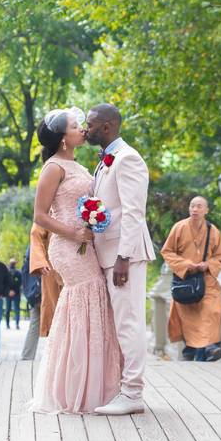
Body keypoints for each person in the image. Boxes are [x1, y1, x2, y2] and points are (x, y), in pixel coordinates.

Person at [31, 107, 122, 413]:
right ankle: (76, 390)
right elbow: (40, 216)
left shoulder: (80, 165)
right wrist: (74, 233)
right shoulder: (53, 168)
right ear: (62, 139)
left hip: (85, 243)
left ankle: (95, 387)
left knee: (93, 303)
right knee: (85, 301)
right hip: (68, 247)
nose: (82, 128)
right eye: (74, 126)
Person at [85, 103, 155, 415]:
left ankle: (133, 394)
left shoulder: (128, 158)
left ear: (108, 126)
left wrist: (124, 257)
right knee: (121, 323)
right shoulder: (106, 160)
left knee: (129, 323)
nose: (86, 129)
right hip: (110, 252)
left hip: (123, 255)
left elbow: (133, 212)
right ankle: (125, 388)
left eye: (91, 124)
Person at [161, 196, 221, 362]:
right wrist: (186, 264)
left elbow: (219, 256)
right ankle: (189, 348)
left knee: (212, 310)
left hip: (207, 279)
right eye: (192, 206)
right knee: (188, 314)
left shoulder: (213, 231)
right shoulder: (179, 227)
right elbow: (167, 251)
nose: (195, 209)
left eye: (199, 206)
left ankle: (211, 347)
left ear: (206, 210)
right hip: (186, 280)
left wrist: (208, 264)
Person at [21, 223, 64, 360]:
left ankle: (29, 357)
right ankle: (28, 357)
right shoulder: (36, 247)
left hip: (60, 276)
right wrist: (34, 294)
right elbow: (30, 274)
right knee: (41, 323)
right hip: (41, 289)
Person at [5, 258, 23, 330]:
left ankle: (17, 324)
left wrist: (14, 291)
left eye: (13, 263)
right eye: (11, 263)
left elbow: (20, 283)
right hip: (8, 294)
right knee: (7, 309)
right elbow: (5, 283)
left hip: (16, 293)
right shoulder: (6, 273)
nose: (12, 264)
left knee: (17, 309)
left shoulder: (18, 273)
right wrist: (8, 291)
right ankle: (7, 324)